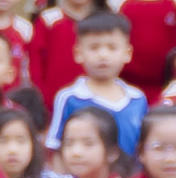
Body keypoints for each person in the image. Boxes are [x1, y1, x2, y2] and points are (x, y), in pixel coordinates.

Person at [43, 11, 146, 161]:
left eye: (112, 48)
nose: (103, 55)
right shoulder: (69, 98)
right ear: (78, 53)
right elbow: (55, 147)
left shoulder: (137, 99)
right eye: (94, 48)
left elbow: (143, 147)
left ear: (127, 53)